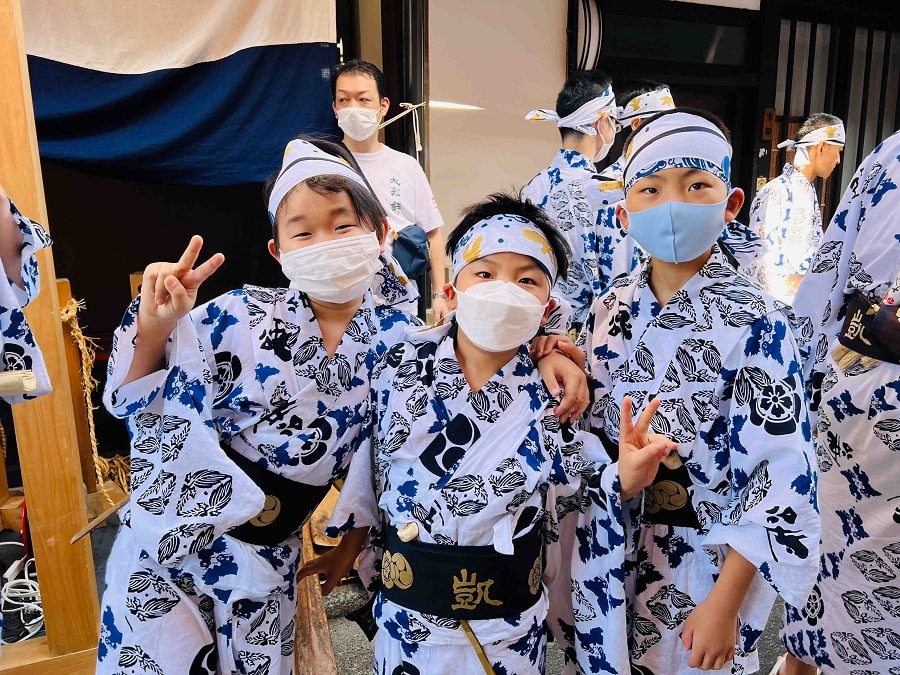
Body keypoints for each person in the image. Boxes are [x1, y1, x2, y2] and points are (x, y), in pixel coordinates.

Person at [95, 138, 422, 674]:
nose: (325, 241)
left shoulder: (404, 343)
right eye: (303, 231)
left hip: (272, 553)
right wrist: (155, 327)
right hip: (179, 544)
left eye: (343, 226)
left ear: (380, 233)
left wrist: (350, 545)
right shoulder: (241, 316)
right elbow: (140, 397)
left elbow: (379, 458)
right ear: (278, 251)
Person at [312, 193, 676, 674]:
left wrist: (623, 481)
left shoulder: (555, 393)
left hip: (508, 633)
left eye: (527, 279)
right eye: (485, 273)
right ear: (451, 292)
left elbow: (581, 499)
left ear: (546, 308)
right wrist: (349, 547)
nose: (504, 289)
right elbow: (371, 469)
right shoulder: (397, 368)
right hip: (408, 624)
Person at [572, 110, 820, 673]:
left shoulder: (759, 321)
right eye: (651, 189)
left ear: (730, 204)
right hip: (612, 551)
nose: (673, 204)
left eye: (696, 185)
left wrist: (724, 606)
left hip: (705, 563)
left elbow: (780, 473)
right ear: (624, 212)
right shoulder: (608, 310)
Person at [773, 130, 900, 675]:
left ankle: (807, 654)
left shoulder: (892, 151)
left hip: (859, 379)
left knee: (837, 554)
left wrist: (803, 367)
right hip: (868, 384)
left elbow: (828, 274)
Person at [332, 59, 449, 321]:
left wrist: (439, 294)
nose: (353, 108)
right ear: (335, 108)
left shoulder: (406, 166)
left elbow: (433, 234)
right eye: (344, 100)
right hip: (342, 303)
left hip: (401, 303)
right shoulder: (324, 166)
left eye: (363, 100)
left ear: (383, 106)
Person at [523, 69, 631, 333]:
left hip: (538, 327)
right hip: (592, 334)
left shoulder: (532, 188)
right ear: (602, 122)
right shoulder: (606, 192)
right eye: (614, 121)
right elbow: (621, 280)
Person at [746, 113, 845, 304]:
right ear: (822, 147)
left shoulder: (804, 190)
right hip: (777, 305)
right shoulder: (778, 191)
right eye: (838, 150)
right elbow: (761, 256)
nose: (839, 160)